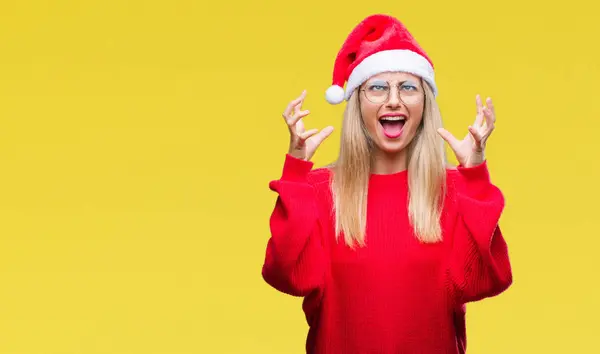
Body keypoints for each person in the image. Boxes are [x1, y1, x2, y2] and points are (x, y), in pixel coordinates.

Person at [261, 13, 513, 354]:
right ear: (358, 103)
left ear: (424, 103)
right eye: (378, 87)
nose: (393, 100)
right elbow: (285, 275)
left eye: (407, 87)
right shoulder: (322, 192)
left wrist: (475, 178)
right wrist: (294, 175)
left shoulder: (451, 191)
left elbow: (486, 279)